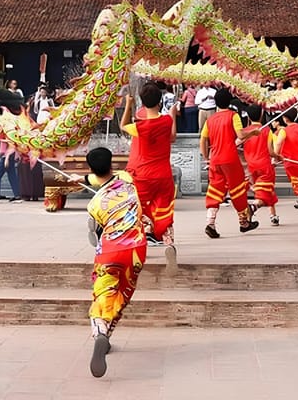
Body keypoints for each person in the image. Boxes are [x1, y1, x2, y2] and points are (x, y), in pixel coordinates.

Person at [80, 147, 145, 378]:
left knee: (104, 293)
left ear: (91, 170)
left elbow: (94, 236)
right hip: (136, 249)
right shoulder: (128, 183)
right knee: (122, 294)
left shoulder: (94, 205)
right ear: (112, 164)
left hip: (109, 251)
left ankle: (100, 333)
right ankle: (106, 336)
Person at [120, 82, 178, 271]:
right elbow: (172, 137)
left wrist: (128, 104)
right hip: (163, 175)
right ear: (160, 101)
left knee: (138, 212)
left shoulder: (140, 127)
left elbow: (123, 125)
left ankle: (137, 249)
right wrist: (173, 113)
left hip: (143, 175)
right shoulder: (167, 121)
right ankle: (168, 243)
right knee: (164, 211)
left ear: (141, 102)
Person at [199, 88, 259, 237]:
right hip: (230, 159)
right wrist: (253, 132)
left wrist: (206, 157)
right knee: (237, 190)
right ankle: (244, 223)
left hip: (215, 160)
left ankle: (210, 222)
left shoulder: (210, 120)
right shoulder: (233, 116)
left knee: (215, 190)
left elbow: (203, 139)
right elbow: (240, 134)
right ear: (230, 102)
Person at [242, 104, 279, 226]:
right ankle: (253, 207)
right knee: (264, 194)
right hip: (264, 165)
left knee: (267, 191)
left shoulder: (244, 132)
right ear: (262, 115)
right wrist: (279, 156)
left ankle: (273, 216)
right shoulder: (266, 130)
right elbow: (270, 151)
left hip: (251, 166)